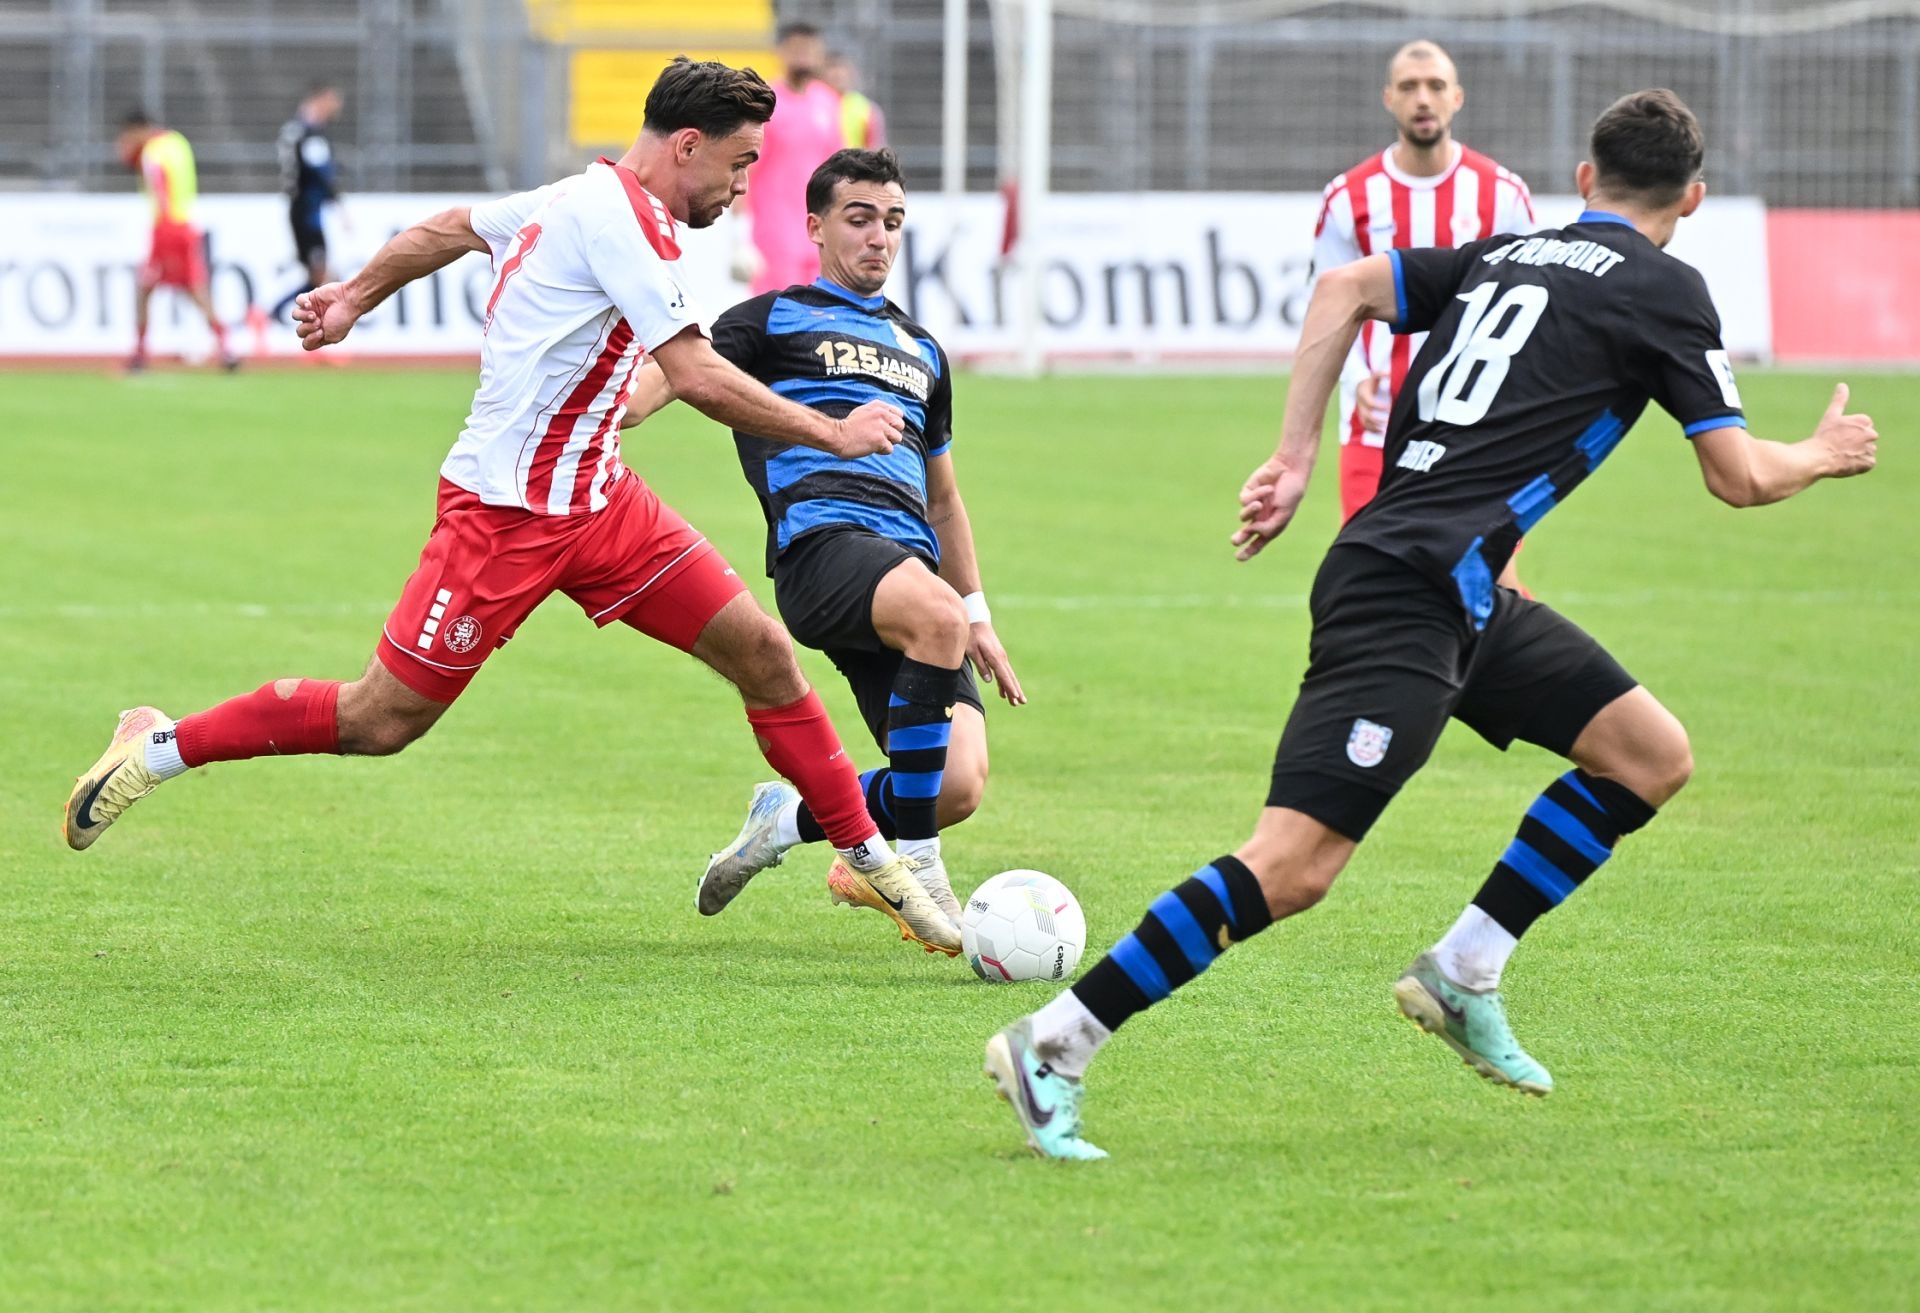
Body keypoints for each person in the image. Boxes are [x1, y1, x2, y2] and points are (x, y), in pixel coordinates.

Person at [982, 89, 1879, 1159]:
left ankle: (1463, 969)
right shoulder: (1666, 289)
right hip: (1408, 592)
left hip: (1463, 589)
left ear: (1584, 180)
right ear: (1692, 198)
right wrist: (1820, 454)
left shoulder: (1507, 253)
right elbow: (1738, 475)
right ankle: (1055, 1042)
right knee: (1293, 864)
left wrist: (1296, 455)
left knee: (1649, 755)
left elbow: (1345, 285)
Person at [63, 59, 961, 956]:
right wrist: (832, 432)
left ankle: (873, 859)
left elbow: (449, 227)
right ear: (687, 146)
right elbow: (694, 373)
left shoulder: (579, 196)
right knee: (379, 719)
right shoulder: (619, 223)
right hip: (504, 518)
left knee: (763, 653)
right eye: (738, 164)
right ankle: (158, 745)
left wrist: (351, 299)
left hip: (602, 502)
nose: (742, 185)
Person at [624, 148, 1021, 945]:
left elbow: (943, 498)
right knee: (936, 621)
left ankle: (783, 821)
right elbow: (670, 378)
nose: (880, 237)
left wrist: (976, 612)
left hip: (910, 576)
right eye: (860, 218)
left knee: (956, 784)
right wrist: (615, 402)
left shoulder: (923, 351)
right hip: (822, 548)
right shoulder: (770, 320)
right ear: (815, 226)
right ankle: (919, 872)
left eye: (893, 222)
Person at [1313, 40, 1535, 587]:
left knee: (1487, 586)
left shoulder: (1502, 195)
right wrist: (1357, 377)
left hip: (1475, 430)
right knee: (1371, 582)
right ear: (1388, 98)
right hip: (1375, 427)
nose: (1423, 98)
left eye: (1435, 86)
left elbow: (1532, 307)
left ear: (1457, 97)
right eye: (1409, 87)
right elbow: (1326, 306)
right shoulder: (1347, 198)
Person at [117, 111, 237, 371]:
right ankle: (226, 347)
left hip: (166, 228)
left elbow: (159, 185)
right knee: (195, 289)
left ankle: (139, 354)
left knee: (145, 288)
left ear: (138, 129)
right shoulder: (177, 142)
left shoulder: (152, 152)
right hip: (186, 225)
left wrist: (163, 227)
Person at [740, 23, 845, 296]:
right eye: (797, 49)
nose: (803, 56)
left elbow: (836, 163)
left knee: (819, 303)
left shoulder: (827, 101)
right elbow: (746, 167)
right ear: (781, 52)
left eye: (809, 49)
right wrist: (738, 231)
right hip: (774, 228)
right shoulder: (765, 103)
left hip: (817, 224)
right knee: (780, 304)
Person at [271, 84, 347, 323]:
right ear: (320, 99)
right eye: (333, 100)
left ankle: (271, 313)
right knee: (323, 278)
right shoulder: (310, 133)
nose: (337, 107)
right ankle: (270, 313)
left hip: (301, 209)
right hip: (308, 213)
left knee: (319, 278)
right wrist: (339, 206)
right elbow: (320, 173)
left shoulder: (294, 130)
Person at [825, 52, 887, 149]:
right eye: (832, 69)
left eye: (842, 69)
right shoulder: (815, 105)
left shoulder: (866, 108)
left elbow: (875, 146)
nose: (837, 74)